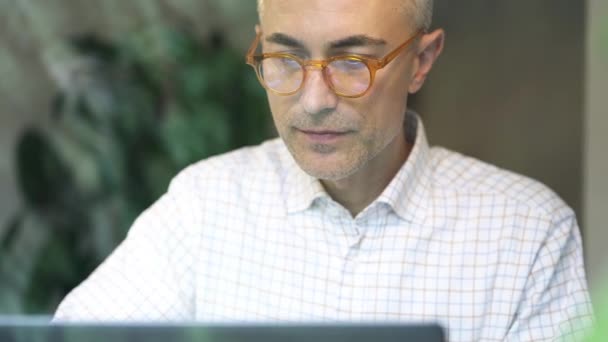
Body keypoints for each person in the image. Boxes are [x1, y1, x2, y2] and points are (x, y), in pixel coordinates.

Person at [54, 0, 593, 340]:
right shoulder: (204, 204)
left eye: (351, 63)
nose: (312, 101)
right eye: (284, 59)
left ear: (421, 61)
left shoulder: (526, 234)